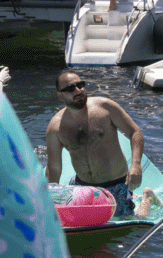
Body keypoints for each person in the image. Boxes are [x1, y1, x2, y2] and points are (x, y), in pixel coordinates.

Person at [45, 69, 144, 217]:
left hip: (115, 184)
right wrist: (48, 200)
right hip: (82, 186)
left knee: (133, 219)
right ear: (60, 95)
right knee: (71, 218)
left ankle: (147, 198)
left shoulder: (105, 107)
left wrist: (136, 165)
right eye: (71, 88)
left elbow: (135, 132)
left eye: (80, 85)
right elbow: (53, 167)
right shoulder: (55, 126)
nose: (78, 90)